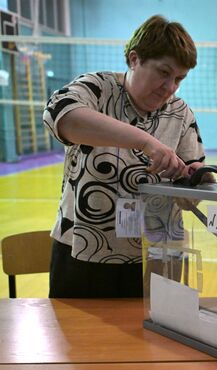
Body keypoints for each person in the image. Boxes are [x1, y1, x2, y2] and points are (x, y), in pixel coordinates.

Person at [43, 15, 207, 298]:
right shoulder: (96, 88)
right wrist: (147, 142)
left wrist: (194, 184)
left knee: (152, 339)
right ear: (134, 59)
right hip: (84, 250)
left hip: (157, 254)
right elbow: (60, 115)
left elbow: (194, 185)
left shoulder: (180, 112)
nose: (170, 87)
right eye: (163, 73)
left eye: (179, 78)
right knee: (77, 339)